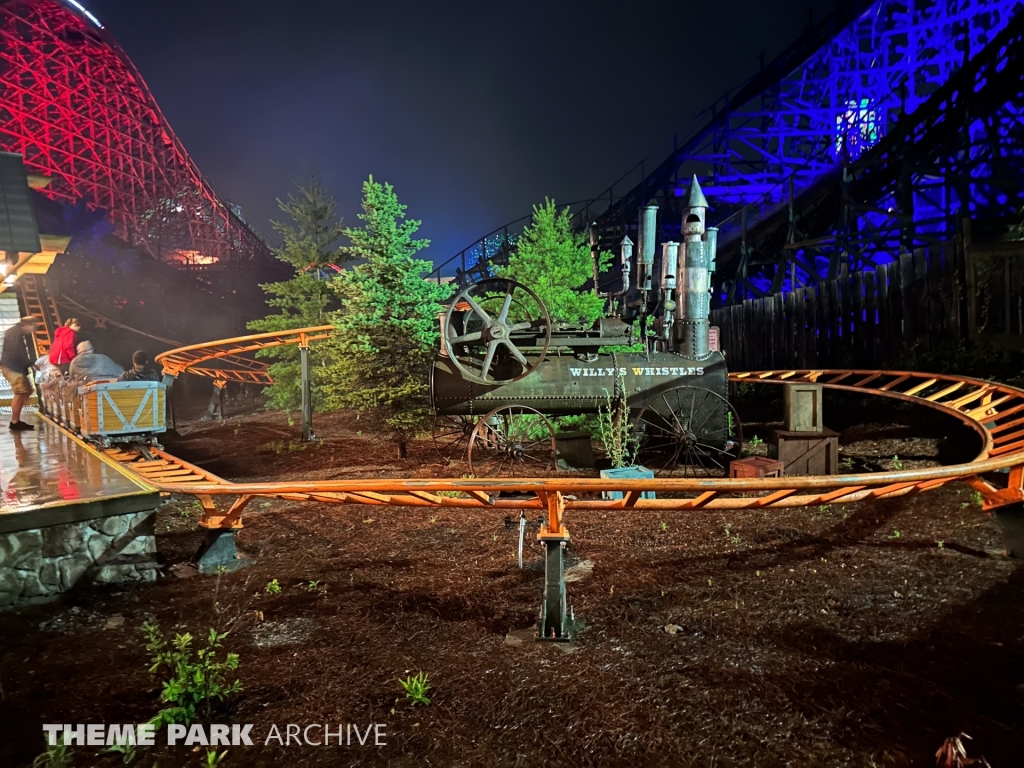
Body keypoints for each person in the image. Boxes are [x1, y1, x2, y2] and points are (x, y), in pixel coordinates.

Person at [0, 316, 41, 430]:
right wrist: (29, 363)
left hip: (13, 366)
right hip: (12, 367)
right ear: (26, 325)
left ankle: (16, 419)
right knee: (20, 393)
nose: (33, 330)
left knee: (27, 391)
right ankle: (15, 422)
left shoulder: (15, 332)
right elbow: (16, 351)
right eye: (33, 327)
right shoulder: (15, 333)